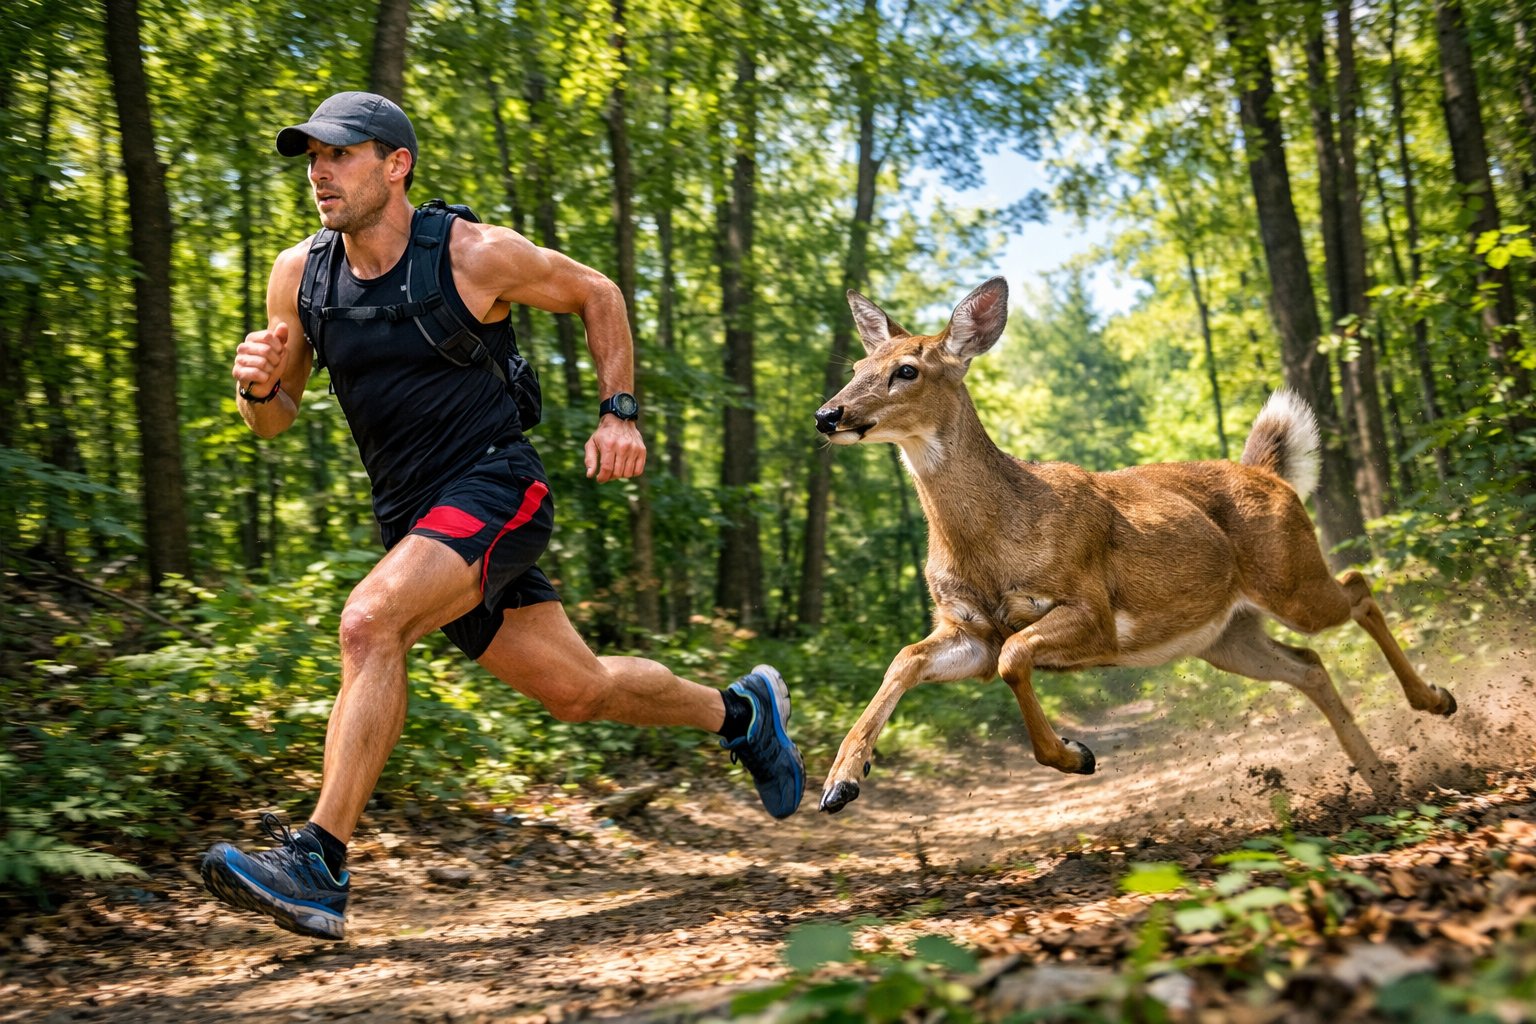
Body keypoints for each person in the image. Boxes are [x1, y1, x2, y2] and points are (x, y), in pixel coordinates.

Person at [200, 91, 804, 941]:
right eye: (311, 159)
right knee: (578, 690)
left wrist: (618, 411)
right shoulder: (302, 275)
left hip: (494, 486)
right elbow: (272, 418)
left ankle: (319, 861)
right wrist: (254, 383)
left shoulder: (473, 254)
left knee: (371, 622)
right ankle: (741, 715)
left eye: (338, 155)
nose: (320, 173)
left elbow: (597, 290)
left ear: (395, 163)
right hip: (415, 521)